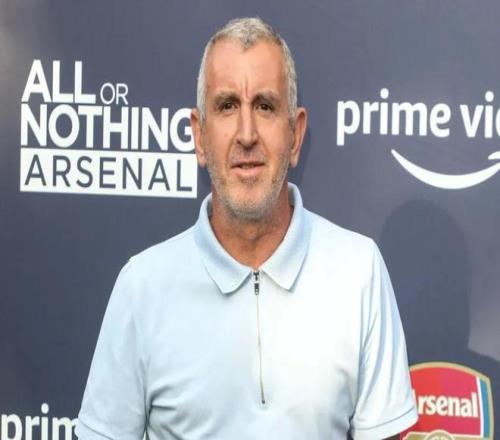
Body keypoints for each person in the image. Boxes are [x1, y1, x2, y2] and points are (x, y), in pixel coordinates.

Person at [76, 17, 418, 440]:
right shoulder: (141, 288)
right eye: (226, 106)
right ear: (199, 137)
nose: (246, 134)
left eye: (265, 106)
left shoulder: (359, 271)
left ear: (296, 135)